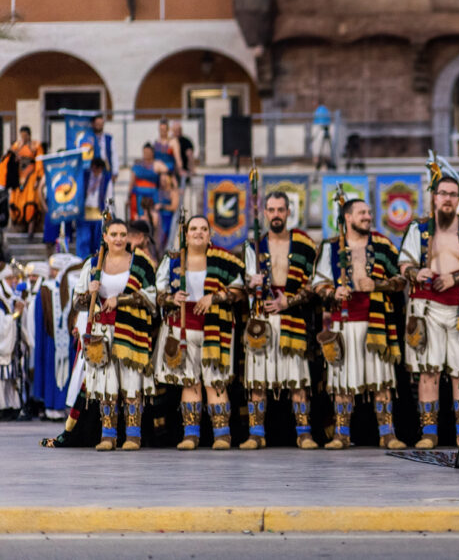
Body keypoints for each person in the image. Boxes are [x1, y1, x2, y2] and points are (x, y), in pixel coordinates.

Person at [313, 197, 408, 449]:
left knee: (381, 379)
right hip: (342, 323)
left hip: (376, 321)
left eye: (369, 211)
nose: (367, 216)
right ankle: (341, 434)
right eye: (362, 212)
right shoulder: (331, 246)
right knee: (342, 380)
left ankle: (388, 434)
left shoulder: (383, 245)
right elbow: (317, 283)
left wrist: (377, 284)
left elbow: (401, 280)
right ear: (348, 217)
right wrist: (332, 292)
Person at [398, 171, 459, 448]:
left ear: (458, 199)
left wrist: (454, 278)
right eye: (442, 194)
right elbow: (404, 264)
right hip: (426, 307)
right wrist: (415, 272)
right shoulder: (418, 228)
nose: (447, 199)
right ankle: (429, 432)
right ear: (433, 197)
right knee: (428, 370)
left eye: (452, 195)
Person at [153, 216, 245, 450]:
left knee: (216, 382)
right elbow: (158, 293)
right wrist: (171, 298)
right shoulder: (173, 259)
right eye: (193, 228)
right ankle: (191, 435)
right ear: (185, 233)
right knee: (189, 382)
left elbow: (239, 290)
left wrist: (213, 297)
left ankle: (222, 435)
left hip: (216, 327)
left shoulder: (224, 259)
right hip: (183, 327)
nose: (198, 233)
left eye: (204, 229)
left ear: (210, 235)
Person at [70, 218, 157, 451]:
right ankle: (108, 436)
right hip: (102, 332)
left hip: (131, 330)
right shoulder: (93, 264)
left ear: (127, 237)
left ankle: (133, 436)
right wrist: (89, 295)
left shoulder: (140, 263)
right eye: (114, 234)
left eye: (122, 234)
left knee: (131, 383)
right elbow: (77, 303)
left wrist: (121, 299)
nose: (119, 238)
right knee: (106, 384)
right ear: (105, 237)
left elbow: (151, 296)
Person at [241, 192, 319, 449]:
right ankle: (256, 433)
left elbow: (316, 282)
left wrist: (290, 301)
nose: (276, 214)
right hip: (262, 319)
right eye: (271, 210)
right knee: (257, 380)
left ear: (288, 212)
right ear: (265, 213)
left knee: (298, 380)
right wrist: (250, 284)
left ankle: (304, 433)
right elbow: (242, 287)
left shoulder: (305, 244)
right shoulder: (253, 247)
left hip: (292, 317)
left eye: (280, 210)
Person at [31, 254, 83, 420]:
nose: (52, 272)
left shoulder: (72, 287)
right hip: (53, 339)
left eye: (55, 269)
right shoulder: (47, 289)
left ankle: (64, 405)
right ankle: (54, 405)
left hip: (65, 338)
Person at [0, 265, 27, 419]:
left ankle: (11, 406)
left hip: (12, 348)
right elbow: (2, 324)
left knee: (11, 379)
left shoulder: (9, 297)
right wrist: (16, 314)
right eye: (10, 279)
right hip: (3, 346)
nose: (13, 281)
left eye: (14, 278)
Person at [77, 158, 112, 259]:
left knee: (97, 242)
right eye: (94, 168)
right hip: (84, 213)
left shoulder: (105, 179)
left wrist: (108, 215)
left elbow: (109, 197)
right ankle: (83, 262)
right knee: (83, 241)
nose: (96, 171)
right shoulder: (85, 176)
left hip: (98, 212)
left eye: (98, 169)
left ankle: (97, 262)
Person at [129, 144, 167, 222]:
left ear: (152, 153)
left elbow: (166, 177)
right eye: (145, 152)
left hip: (153, 195)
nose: (146, 154)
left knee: (153, 216)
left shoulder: (157, 164)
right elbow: (132, 182)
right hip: (138, 195)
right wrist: (128, 196)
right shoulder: (137, 165)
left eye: (148, 152)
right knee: (139, 217)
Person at [89, 114, 120, 181]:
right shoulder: (89, 138)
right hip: (92, 172)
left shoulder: (108, 138)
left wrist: (115, 172)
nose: (99, 125)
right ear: (93, 124)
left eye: (101, 123)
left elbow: (114, 154)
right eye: (97, 123)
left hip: (106, 170)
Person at [155, 172, 180, 252]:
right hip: (159, 218)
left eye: (165, 179)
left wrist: (162, 206)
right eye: (162, 179)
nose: (163, 181)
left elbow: (174, 207)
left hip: (168, 218)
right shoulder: (158, 191)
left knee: (165, 239)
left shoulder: (173, 192)